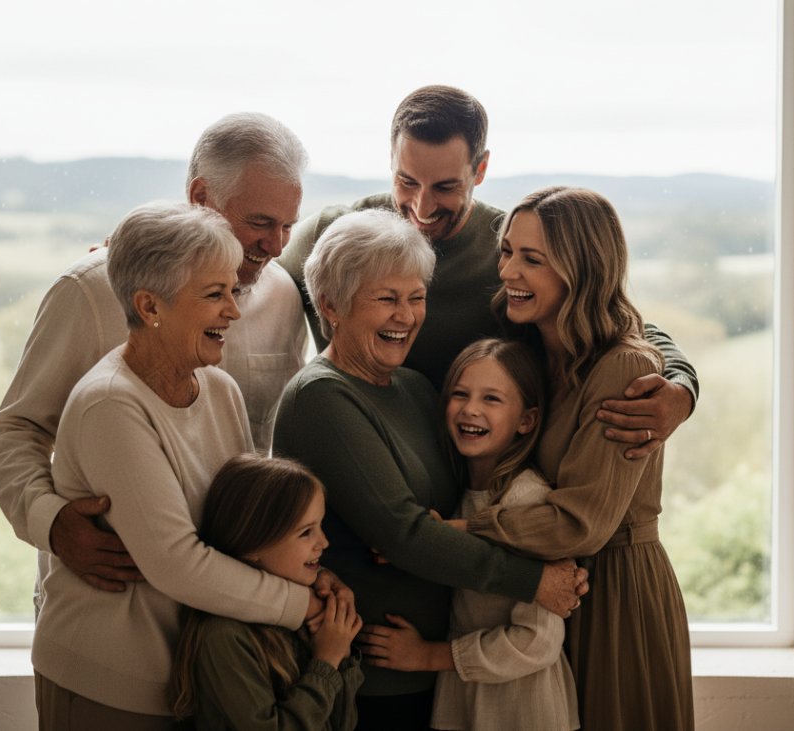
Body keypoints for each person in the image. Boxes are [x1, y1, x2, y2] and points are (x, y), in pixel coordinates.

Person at [273, 210, 587, 731]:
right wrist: (535, 582)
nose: (406, 316)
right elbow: (405, 532)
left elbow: (443, 517)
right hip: (375, 671)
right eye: (386, 298)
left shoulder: (416, 389)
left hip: (444, 672)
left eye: (416, 297)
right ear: (330, 305)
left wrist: (431, 535)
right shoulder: (321, 397)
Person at [0, 113, 310, 596]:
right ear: (201, 198)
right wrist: (50, 522)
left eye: (288, 226)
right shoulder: (92, 290)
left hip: (231, 615)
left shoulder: (282, 294)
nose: (276, 245)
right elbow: (15, 430)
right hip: (110, 605)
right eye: (259, 222)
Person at [280, 85, 699, 459]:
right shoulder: (332, 235)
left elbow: (614, 315)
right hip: (356, 457)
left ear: (480, 170)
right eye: (406, 181)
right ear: (390, 161)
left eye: (445, 187)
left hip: (480, 477)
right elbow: (247, 281)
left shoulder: (511, 250)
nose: (421, 209)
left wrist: (682, 388)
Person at [32, 202, 325, 729]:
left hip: (189, 680)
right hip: (108, 681)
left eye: (231, 291)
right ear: (150, 306)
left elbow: (240, 526)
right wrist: (301, 605)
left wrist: (316, 577)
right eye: (214, 295)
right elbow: (177, 563)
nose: (233, 312)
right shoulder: (111, 405)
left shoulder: (219, 388)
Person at [466, 187, 695, 730]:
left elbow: (581, 524)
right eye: (507, 252)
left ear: (583, 270)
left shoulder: (622, 367)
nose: (508, 272)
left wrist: (457, 529)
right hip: (548, 590)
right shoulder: (526, 340)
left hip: (614, 594)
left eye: (533, 259)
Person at [359, 338, 580, 731]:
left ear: (526, 420)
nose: (471, 409)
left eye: (492, 399)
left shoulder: (528, 500)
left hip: (520, 705)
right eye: (460, 394)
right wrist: (414, 549)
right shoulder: (459, 495)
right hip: (464, 699)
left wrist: (427, 657)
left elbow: (538, 641)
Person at [171, 454, 365, 731]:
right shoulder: (224, 636)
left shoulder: (308, 613)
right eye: (306, 532)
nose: (324, 541)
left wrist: (341, 652)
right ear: (253, 545)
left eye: (320, 526)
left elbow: (343, 724)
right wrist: (327, 661)